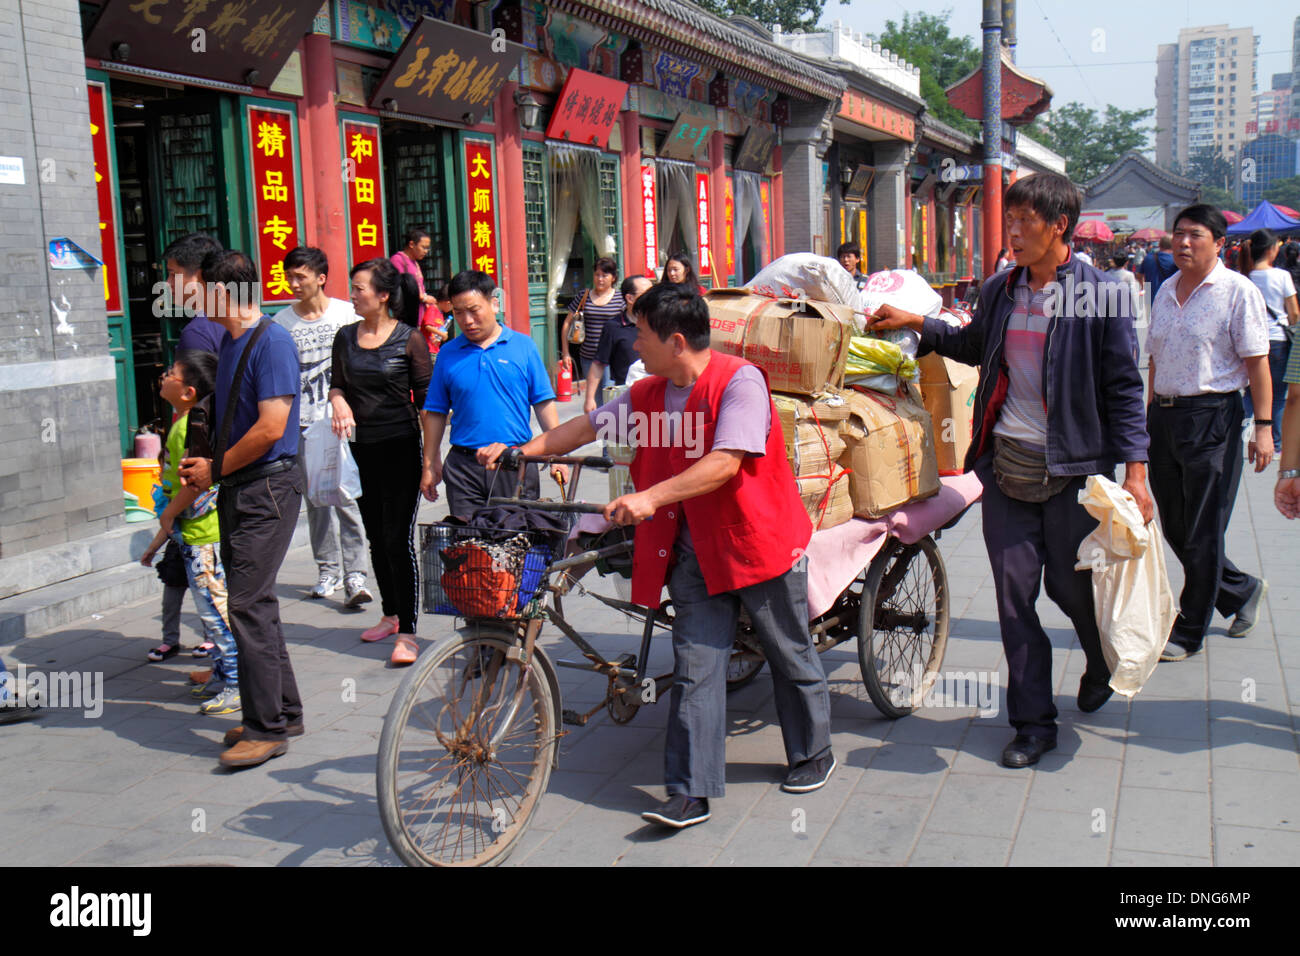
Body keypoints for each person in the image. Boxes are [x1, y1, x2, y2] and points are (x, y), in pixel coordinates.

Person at [486, 283, 835, 828]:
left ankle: (813, 751)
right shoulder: (649, 392)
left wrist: (650, 495)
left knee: (788, 651)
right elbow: (588, 425)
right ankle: (690, 791)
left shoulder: (740, 382)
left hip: (754, 543)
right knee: (697, 664)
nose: (632, 342)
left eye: (640, 333)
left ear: (676, 340)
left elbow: (726, 462)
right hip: (693, 547)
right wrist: (522, 452)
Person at [868, 171, 1152, 769]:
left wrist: (1137, 472)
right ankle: (1032, 723)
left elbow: (1125, 386)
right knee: (1014, 596)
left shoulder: (1098, 293)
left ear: (1060, 227)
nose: (1014, 232)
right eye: (1011, 220)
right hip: (1005, 466)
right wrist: (917, 324)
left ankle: (1099, 657)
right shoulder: (1002, 289)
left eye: (1026, 221)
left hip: (1074, 471)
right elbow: (975, 346)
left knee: (1069, 587)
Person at [178, 249, 304, 769]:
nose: (188, 298)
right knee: (257, 603)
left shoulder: (271, 341)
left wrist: (216, 469)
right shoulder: (231, 341)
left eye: (196, 288)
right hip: (242, 486)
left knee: (247, 604)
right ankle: (283, 711)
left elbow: (272, 427)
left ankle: (266, 728)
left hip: (267, 488)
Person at [1147, 205, 1272, 663]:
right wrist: (1146, 417)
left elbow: (1258, 363)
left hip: (1212, 419)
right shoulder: (1164, 290)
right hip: (1164, 418)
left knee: (1203, 531)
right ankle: (1241, 590)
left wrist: (1263, 428)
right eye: (1178, 234)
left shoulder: (1237, 292)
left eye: (1194, 235)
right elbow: (1155, 360)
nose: (1182, 242)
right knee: (1176, 526)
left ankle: (1189, 628)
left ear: (1219, 242)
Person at [329, 258, 432, 667]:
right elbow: (337, 385)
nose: (353, 295)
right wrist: (338, 403)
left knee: (396, 538)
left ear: (383, 295)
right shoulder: (345, 338)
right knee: (374, 534)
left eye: (359, 288)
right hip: (361, 449)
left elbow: (429, 406)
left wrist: (430, 461)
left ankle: (408, 630)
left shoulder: (410, 339)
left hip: (402, 447)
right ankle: (389, 615)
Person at [140, 350, 241, 716]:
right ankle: (221, 675)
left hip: (203, 540)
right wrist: (162, 533)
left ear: (188, 391)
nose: (163, 376)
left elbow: (195, 485)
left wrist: (167, 515)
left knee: (216, 613)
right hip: (192, 535)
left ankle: (236, 683)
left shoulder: (189, 427)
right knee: (212, 610)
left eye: (171, 373)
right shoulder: (186, 422)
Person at [420, 270, 568, 518]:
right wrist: (428, 465)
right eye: (458, 313)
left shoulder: (523, 346)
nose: (467, 320)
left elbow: (543, 404)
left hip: (515, 462)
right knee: (470, 550)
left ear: (494, 303)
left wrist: (557, 456)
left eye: (473, 310)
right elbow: (435, 412)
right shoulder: (448, 354)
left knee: (517, 543)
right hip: (464, 468)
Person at [274, 246, 373, 607]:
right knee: (317, 501)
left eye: (300, 276)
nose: (293, 283)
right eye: (289, 276)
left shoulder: (347, 315)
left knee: (346, 496)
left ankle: (356, 575)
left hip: (342, 421)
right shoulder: (282, 323)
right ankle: (327, 569)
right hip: (302, 425)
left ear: (321, 277)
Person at [1238, 228, 1299, 449]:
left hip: (1250, 341)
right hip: (1278, 340)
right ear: (1272, 250)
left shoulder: (1244, 277)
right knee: (1278, 394)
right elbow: (1293, 313)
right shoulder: (1282, 276)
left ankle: (1239, 432)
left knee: (1251, 392)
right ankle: (1275, 439)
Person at [582, 274, 653, 412]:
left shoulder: (659, 323)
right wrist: (589, 398)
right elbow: (598, 364)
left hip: (657, 395)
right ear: (630, 298)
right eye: (647, 294)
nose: (652, 298)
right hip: (628, 398)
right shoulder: (613, 327)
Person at [560, 257, 623, 395]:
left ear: (613, 278)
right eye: (597, 275)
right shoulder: (584, 295)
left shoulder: (620, 298)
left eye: (604, 275)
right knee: (593, 397)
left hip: (611, 357)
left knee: (609, 396)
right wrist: (566, 353)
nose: (600, 279)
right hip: (589, 356)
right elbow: (567, 323)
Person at [164, 233, 226, 355]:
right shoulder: (241, 320)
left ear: (199, 275)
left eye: (173, 275)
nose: (168, 283)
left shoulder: (197, 333)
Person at [390, 228, 448, 355]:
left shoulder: (414, 263)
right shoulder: (398, 260)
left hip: (419, 317)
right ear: (411, 244)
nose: (426, 251)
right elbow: (398, 287)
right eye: (424, 247)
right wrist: (423, 298)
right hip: (405, 316)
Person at [1106, 254, 1144, 323]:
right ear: (1126, 263)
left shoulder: (1106, 274)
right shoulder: (1129, 275)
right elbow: (1133, 294)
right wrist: (1135, 311)